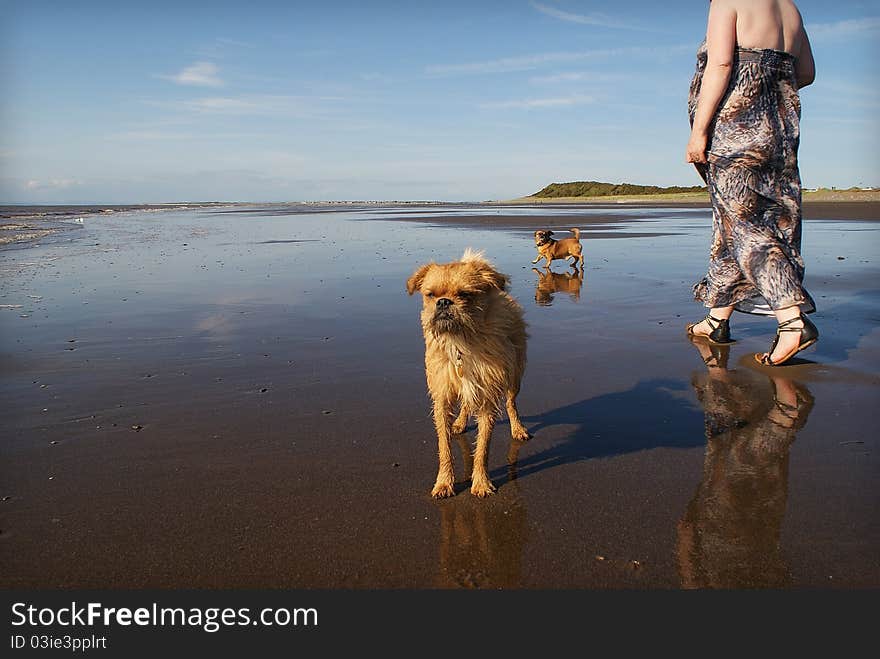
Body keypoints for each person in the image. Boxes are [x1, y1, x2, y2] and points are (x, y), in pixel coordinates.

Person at [684, 0, 818, 366]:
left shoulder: (728, 1)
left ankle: (792, 321)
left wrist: (698, 132)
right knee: (753, 221)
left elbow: (721, 64)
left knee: (744, 224)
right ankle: (716, 320)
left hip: (737, 129)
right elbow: (806, 72)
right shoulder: (790, 9)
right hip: (779, 128)